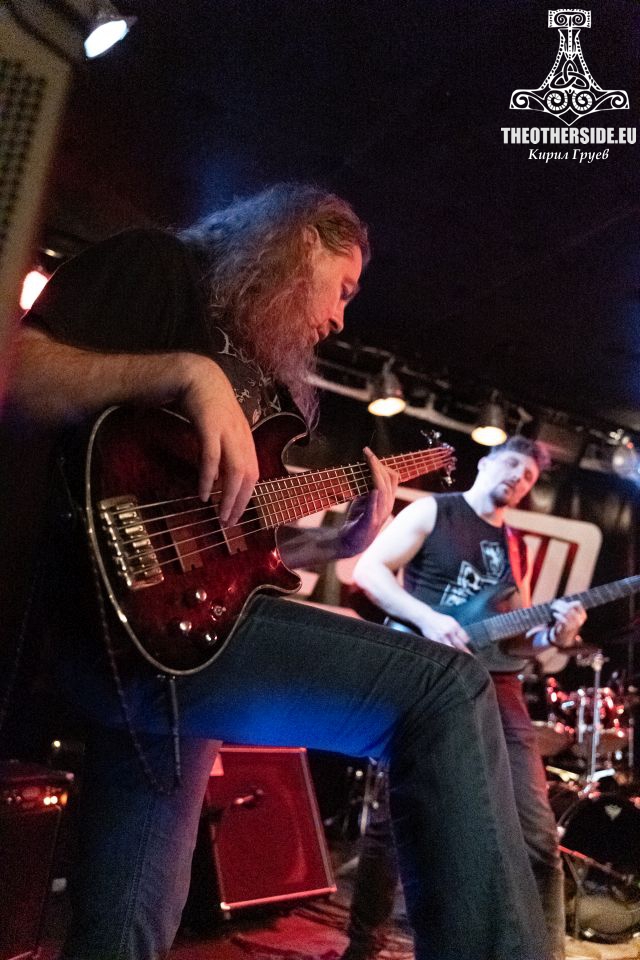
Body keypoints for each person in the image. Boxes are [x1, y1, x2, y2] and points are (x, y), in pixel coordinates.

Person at [6, 184, 551, 960]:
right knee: (447, 687)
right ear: (301, 243)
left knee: (129, 921)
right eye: (344, 288)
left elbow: (224, 544)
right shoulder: (161, 267)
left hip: (178, 638)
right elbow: (17, 369)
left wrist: (331, 548)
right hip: (92, 613)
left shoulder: (264, 371)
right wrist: (185, 372)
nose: (340, 318)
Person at [342, 436, 587, 960]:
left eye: (529, 477)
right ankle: (363, 947)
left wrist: (554, 635)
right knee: (395, 822)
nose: (519, 478)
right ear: (487, 461)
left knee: (536, 831)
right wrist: (429, 619)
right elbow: (367, 571)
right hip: (430, 673)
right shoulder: (436, 511)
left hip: (498, 684)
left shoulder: (514, 545)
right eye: (513, 465)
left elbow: (517, 638)